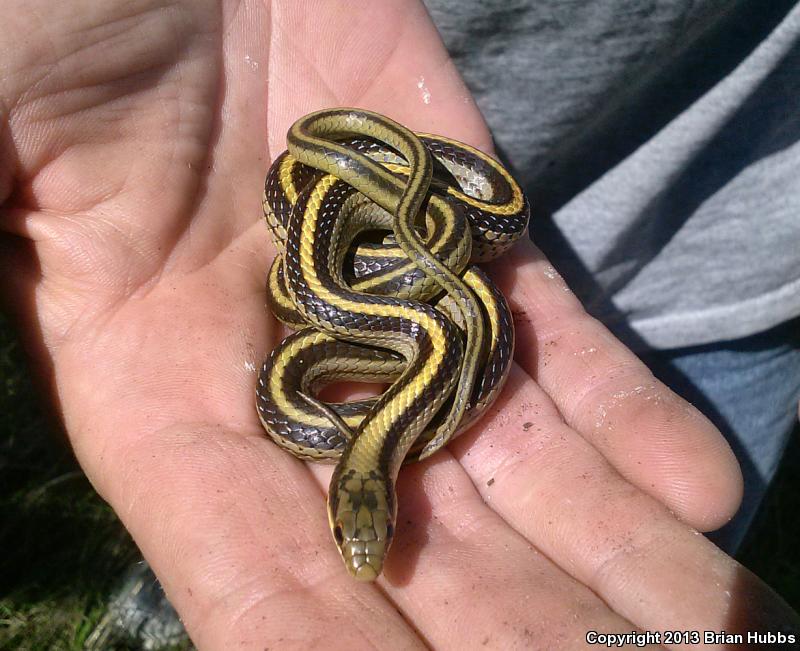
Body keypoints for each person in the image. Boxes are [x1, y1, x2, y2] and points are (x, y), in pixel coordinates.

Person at [0, 2, 796, 649]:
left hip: (730, 209)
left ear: (361, 483)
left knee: (672, 519)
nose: (375, 547)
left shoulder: (400, 338)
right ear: (368, 487)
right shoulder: (390, 360)